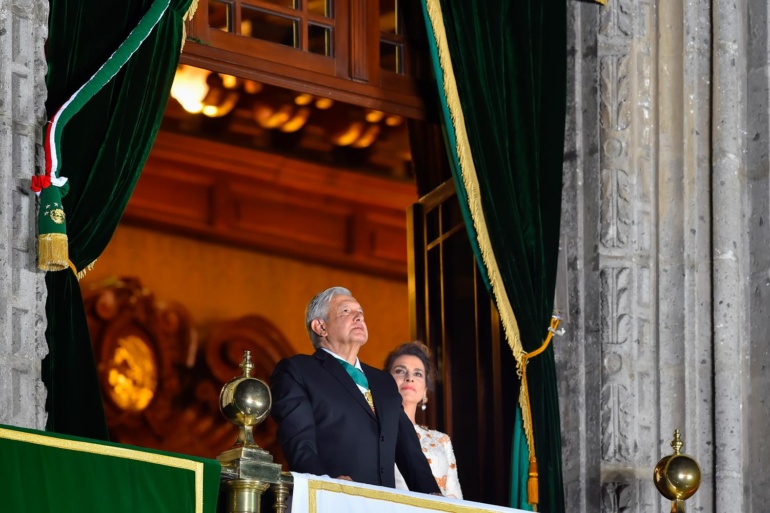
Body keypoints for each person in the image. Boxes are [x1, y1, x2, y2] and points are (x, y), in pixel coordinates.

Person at [270, 287, 440, 494]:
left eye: (360, 312)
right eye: (346, 311)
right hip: (332, 498)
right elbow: (298, 441)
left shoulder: (384, 381)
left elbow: (408, 448)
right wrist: (324, 484)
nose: (359, 316)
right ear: (320, 326)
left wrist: (433, 495)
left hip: (384, 504)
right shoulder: (298, 370)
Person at [385, 341, 463, 499]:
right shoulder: (373, 430)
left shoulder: (441, 440)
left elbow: (454, 498)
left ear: (425, 391)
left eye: (418, 374)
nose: (409, 378)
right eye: (400, 371)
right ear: (384, 381)